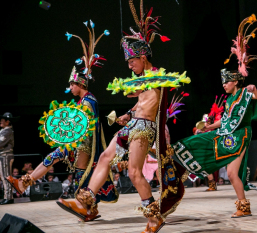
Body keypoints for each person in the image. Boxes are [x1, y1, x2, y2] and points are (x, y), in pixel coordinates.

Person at [57, 2, 190, 232]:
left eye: (132, 61)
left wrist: (135, 88)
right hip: (134, 124)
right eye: (128, 62)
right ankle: (84, 202)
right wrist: (127, 115)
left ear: (144, 57)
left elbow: (146, 94)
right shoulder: (143, 81)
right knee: (107, 157)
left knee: (134, 173)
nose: (130, 65)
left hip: (145, 128)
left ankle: (154, 217)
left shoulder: (157, 76)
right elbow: (138, 100)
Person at [6, 20, 117, 221]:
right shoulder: (85, 100)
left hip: (84, 146)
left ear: (79, 83)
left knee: (75, 173)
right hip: (79, 144)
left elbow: (83, 126)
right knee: (72, 172)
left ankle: (25, 184)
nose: (69, 88)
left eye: (71, 84)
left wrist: (70, 139)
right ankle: (25, 184)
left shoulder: (88, 101)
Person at [171, 15, 257, 218]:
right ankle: (243, 205)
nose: (224, 85)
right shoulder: (228, 101)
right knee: (232, 172)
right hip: (229, 134)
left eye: (226, 82)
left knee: (233, 172)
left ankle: (243, 206)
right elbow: (225, 121)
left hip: (241, 136)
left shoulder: (245, 94)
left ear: (235, 82)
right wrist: (209, 127)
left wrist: (254, 89)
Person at [0, 112, 19, 205]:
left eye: (2, 120)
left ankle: (9, 197)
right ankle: (6, 196)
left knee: (6, 176)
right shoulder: (4, 130)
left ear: (7, 122)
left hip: (6, 155)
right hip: (4, 155)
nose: (0, 121)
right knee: (4, 176)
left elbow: (0, 143)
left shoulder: (7, 131)